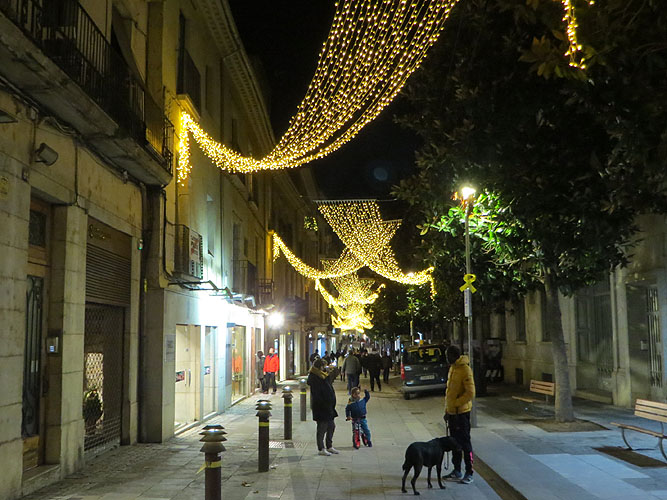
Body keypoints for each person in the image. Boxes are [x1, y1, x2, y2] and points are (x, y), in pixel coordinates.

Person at [443, 344, 475, 484]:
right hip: (452, 413)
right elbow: (450, 392)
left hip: (462, 413)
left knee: (465, 443)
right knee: (454, 443)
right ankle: (457, 470)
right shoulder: (453, 368)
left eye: (448, 355)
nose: (446, 358)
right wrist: (448, 410)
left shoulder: (464, 369)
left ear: (454, 356)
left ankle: (469, 472)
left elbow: (470, 392)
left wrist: (456, 404)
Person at [307, 358, 340, 456]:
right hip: (321, 407)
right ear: (319, 367)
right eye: (323, 366)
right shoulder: (315, 378)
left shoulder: (323, 376)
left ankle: (329, 446)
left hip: (328, 406)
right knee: (322, 427)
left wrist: (329, 373)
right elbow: (318, 394)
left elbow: (329, 384)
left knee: (331, 426)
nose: (325, 367)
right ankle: (321, 448)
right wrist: (324, 403)